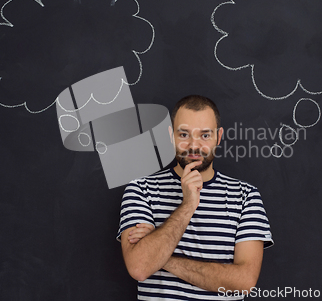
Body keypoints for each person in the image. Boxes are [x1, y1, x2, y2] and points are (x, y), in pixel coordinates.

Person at [116, 95, 273, 300]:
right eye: (184, 134)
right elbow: (139, 267)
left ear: (218, 137)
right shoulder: (140, 190)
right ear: (171, 136)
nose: (194, 146)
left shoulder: (245, 197)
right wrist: (188, 205)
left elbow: (244, 281)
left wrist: (162, 258)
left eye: (205, 135)